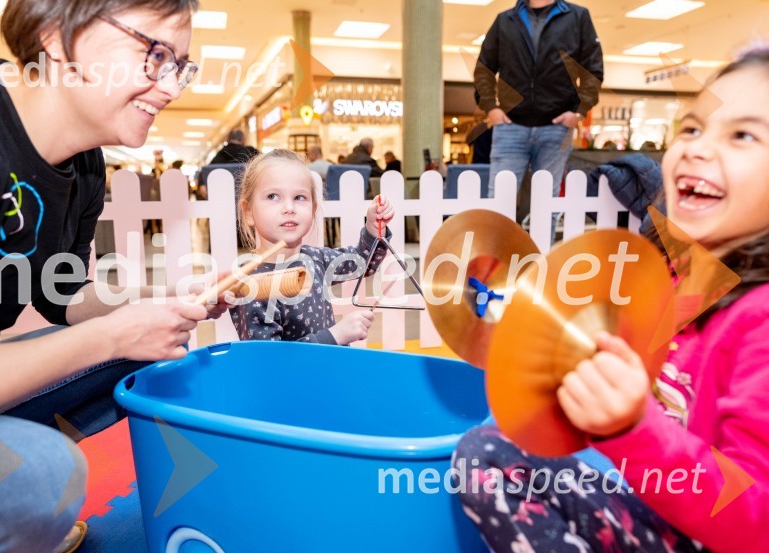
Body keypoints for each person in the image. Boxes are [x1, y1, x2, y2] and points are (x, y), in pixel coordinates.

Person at [0, 1, 230, 551]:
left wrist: (162, 298)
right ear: (54, 34)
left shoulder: (85, 161)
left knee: (152, 348)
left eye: (179, 65)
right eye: (153, 54)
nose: (169, 87)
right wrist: (112, 333)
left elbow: (62, 294)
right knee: (45, 473)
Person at [454, 47, 769, 552]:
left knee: (487, 455)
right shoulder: (670, 270)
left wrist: (633, 426)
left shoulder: (760, 319)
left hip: (705, 529)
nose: (697, 148)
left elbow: (758, 521)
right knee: (493, 443)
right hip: (650, 493)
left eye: (742, 136)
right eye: (691, 129)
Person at [231, 149, 395, 345]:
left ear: (313, 209)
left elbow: (363, 262)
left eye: (299, 198)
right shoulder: (251, 285)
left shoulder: (316, 259)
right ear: (248, 212)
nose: (289, 208)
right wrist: (335, 335)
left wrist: (373, 227)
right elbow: (270, 364)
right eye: (273, 196)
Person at [475, 0, 603, 240]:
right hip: (510, 126)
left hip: (556, 127)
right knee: (499, 201)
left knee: (547, 204)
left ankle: (538, 267)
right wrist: (490, 107)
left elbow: (593, 70)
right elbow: (484, 68)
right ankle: (496, 268)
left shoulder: (578, 17)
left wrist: (578, 112)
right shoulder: (506, 20)